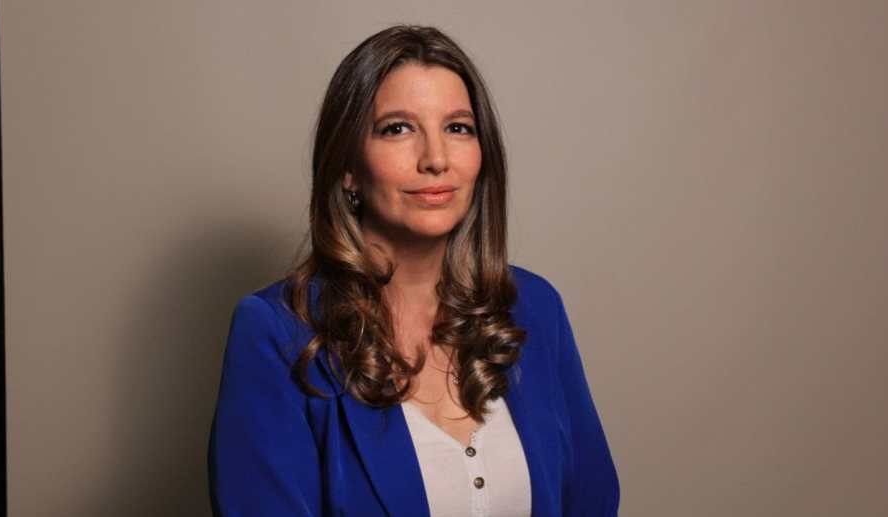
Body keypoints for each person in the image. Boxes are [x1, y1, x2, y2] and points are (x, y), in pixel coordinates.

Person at [207, 24, 619, 517]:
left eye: (458, 128)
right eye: (398, 128)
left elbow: (592, 500)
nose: (436, 159)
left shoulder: (535, 307)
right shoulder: (275, 333)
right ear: (348, 167)